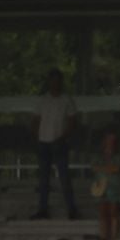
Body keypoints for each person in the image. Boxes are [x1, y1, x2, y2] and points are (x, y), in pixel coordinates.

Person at [29, 70, 78, 220]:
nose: (55, 83)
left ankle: (71, 209)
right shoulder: (43, 100)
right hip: (44, 142)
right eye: (52, 80)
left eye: (57, 80)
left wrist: (63, 137)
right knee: (43, 179)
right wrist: (37, 138)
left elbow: (72, 121)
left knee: (64, 177)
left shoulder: (66, 100)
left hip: (59, 142)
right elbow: (36, 120)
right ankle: (43, 209)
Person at [90, 129, 120, 240]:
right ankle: (104, 236)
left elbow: (116, 168)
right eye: (108, 140)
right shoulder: (98, 155)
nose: (110, 143)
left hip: (114, 187)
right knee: (103, 212)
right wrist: (107, 168)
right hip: (100, 187)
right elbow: (94, 167)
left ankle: (114, 236)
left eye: (112, 141)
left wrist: (103, 168)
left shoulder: (119, 156)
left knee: (113, 211)